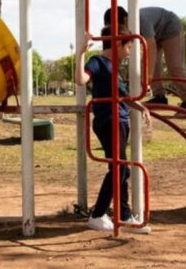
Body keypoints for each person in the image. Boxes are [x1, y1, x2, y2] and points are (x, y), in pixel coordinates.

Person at [75, 25, 151, 234]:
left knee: (121, 168)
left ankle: (124, 215)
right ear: (118, 43)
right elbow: (81, 79)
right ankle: (98, 214)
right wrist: (81, 52)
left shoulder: (115, 68)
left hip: (120, 119)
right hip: (109, 120)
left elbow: (124, 96)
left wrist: (140, 106)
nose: (128, 53)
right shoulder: (98, 62)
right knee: (119, 168)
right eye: (128, 47)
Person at [104, 6, 186, 112]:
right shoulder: (128, 26)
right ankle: (159, 97)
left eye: (116, 28)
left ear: (124, 20)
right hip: (155, 33)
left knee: (175, 65)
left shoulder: (140, 20)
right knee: (147, 63)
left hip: (170, 26)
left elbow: (150, 46)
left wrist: (148, 75)